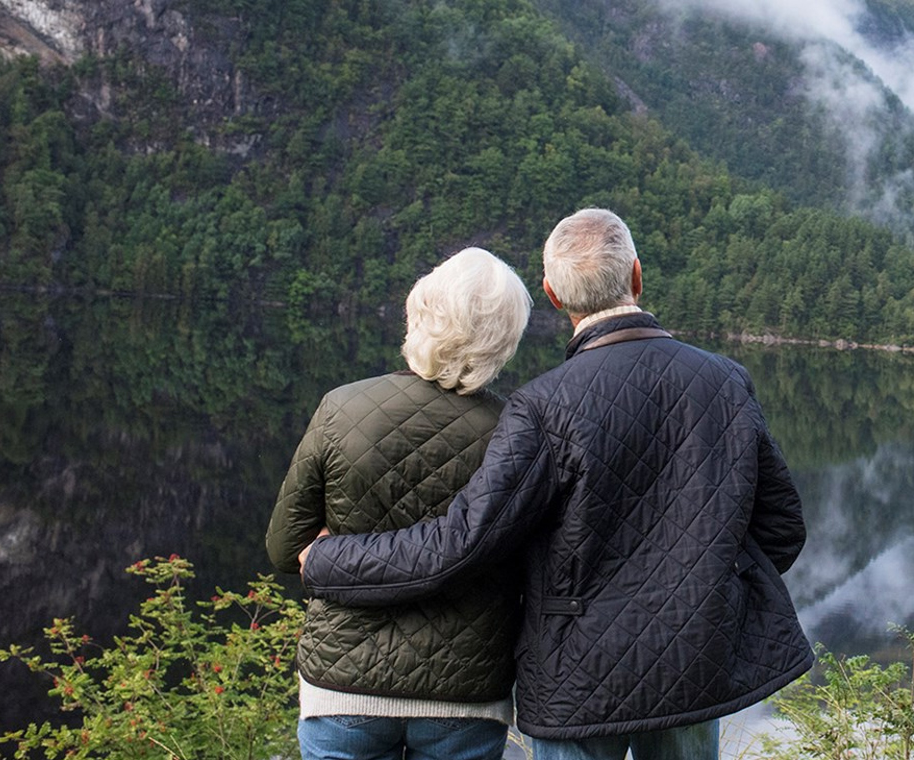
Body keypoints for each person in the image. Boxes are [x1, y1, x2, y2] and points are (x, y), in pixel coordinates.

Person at [300, 208, 811, 760]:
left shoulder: (543, 407)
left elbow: (459, 545)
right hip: (693, 663)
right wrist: (705, 593)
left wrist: (329, 560)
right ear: (636, 276)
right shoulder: (726, 381)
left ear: (552, 294)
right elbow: (782, 528)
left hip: (576, 678)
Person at [265, 247, 533, 760]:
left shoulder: (341, 409)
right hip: (466, 696)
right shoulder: (516, 433)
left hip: (343, 685)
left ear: (421, 314)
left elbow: (285, 549)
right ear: (505, 338)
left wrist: (328, 552)